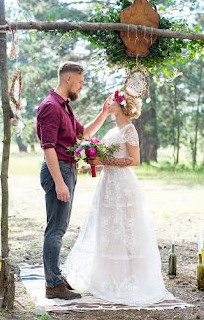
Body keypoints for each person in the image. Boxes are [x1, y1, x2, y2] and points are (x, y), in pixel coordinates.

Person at [64, 92, 169, 307]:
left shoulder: (129, 130)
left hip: (123, 187)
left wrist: (104, 160)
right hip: (107, 185)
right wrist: (91, 160)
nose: (108, 103)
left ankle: (128, 279)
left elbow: (135, 160)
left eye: (111, 101)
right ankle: (106, 279)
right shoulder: (112, 129)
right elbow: (103, 155)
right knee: (107, 230)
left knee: (125, 231)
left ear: (120, 107)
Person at [36, 61, 109, 300]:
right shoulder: (50, 107)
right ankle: (53, 284)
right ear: (68, 79)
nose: (81, 87)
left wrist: (104, 113)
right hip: (59, 171)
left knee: (59, 227)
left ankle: (55, 278)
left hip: (68, 170)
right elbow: (48, 148)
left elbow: (82, 134)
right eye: (79, 82)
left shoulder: (64, 107)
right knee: (55, 229)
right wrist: (59, 182)